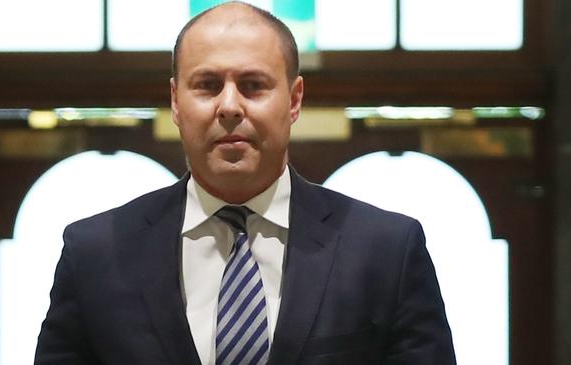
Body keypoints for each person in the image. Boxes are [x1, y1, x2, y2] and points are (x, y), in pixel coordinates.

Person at [35, 2, 456, 364]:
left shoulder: (387, 250)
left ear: (293, 101)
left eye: (253, 86)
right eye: (207, 85)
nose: (230, 106)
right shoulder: (93, 254)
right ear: (175, 102)